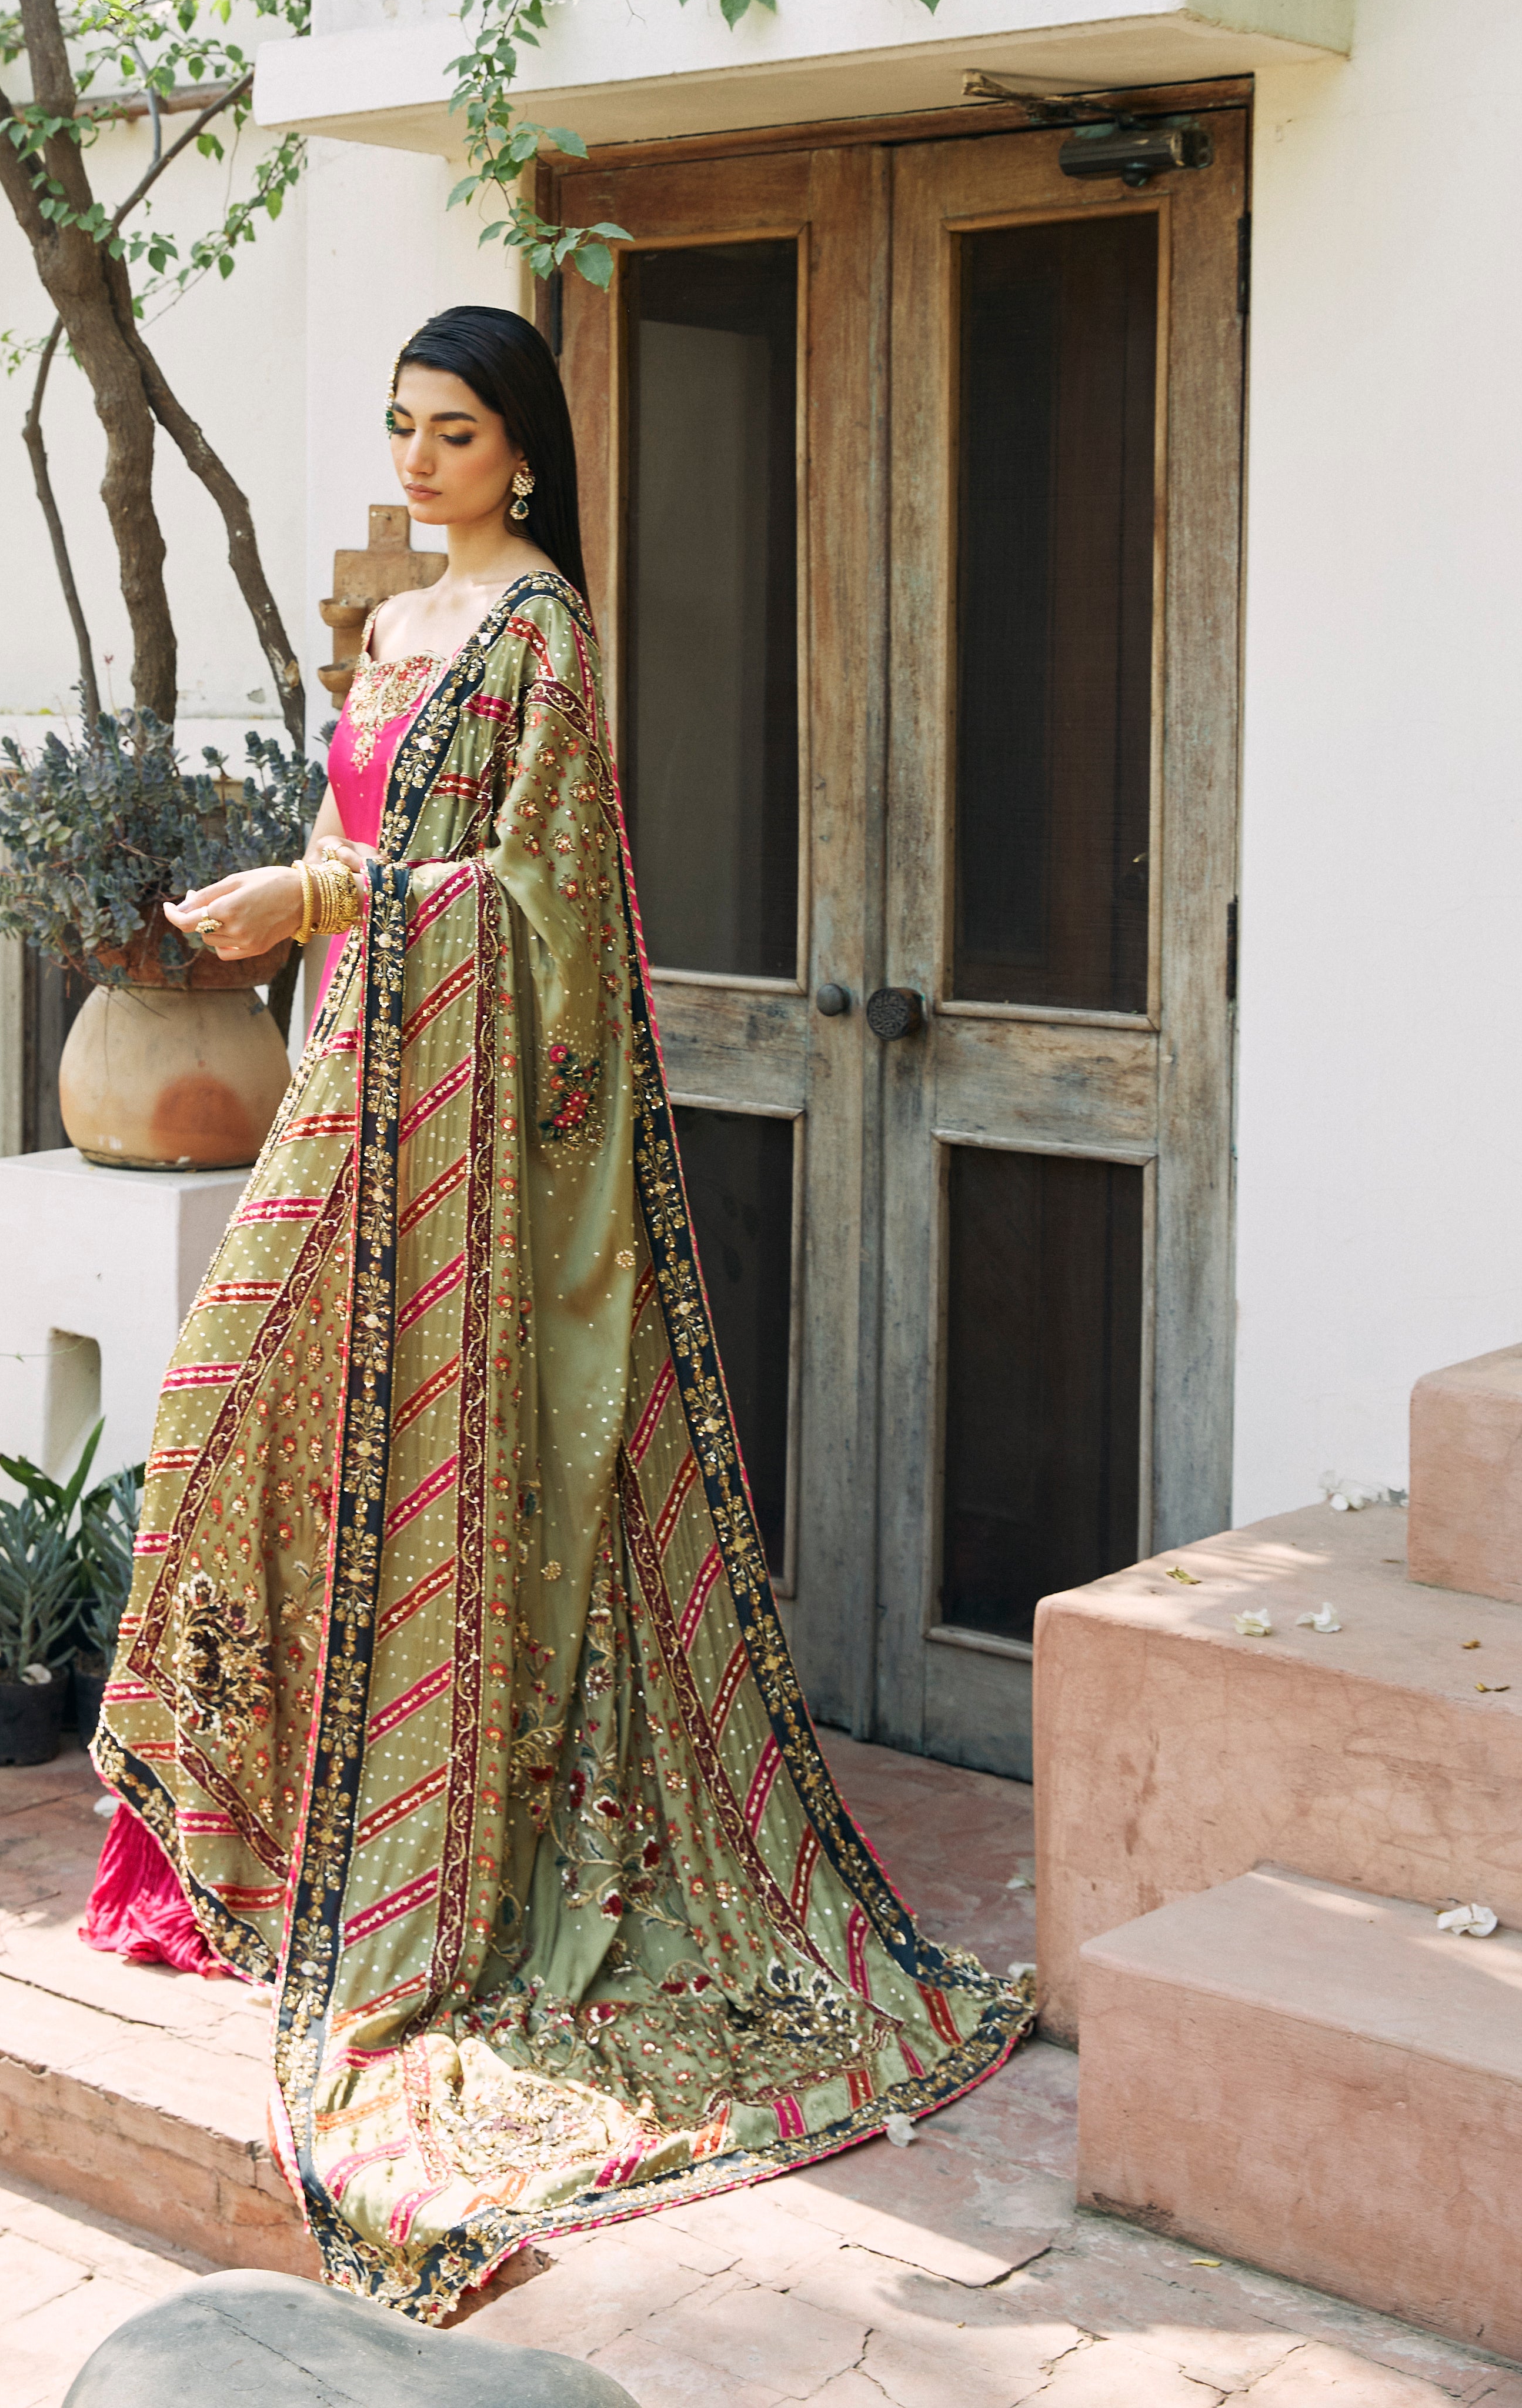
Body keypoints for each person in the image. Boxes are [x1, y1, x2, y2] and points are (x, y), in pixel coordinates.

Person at [84, 303, 1030, 2316]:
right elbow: (373, 850)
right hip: (356, 1088)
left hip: (462, 1135)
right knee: (238, 1414)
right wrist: (299, 893)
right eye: (403, 429)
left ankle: (444, 1847)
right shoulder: (407, 621)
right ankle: (266, 1836)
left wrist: (320, 901)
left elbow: (538, 913)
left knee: (366, 1447)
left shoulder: (538, 639)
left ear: (526, 454)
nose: (421, 463)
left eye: (455, 435)